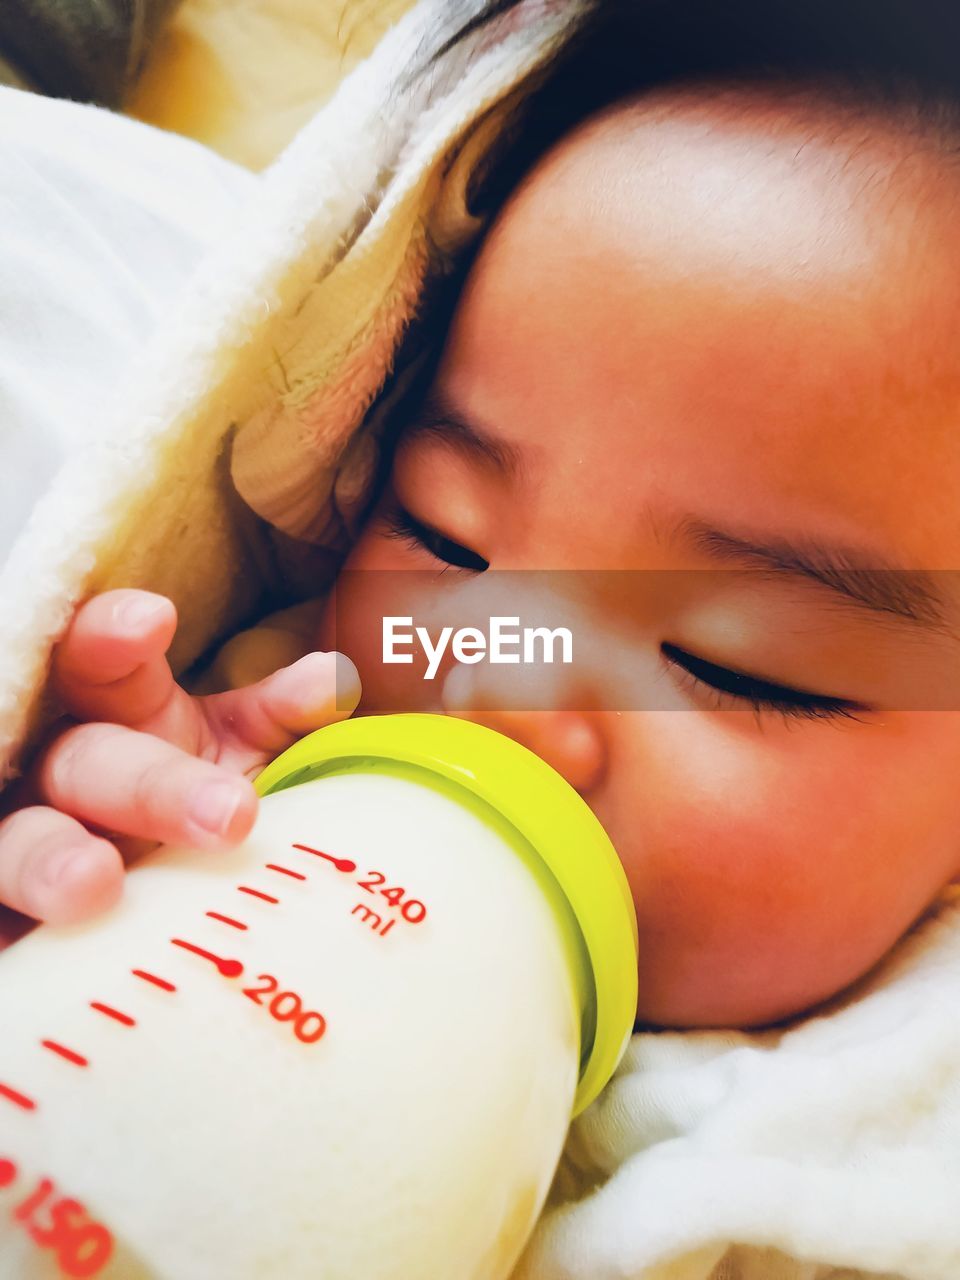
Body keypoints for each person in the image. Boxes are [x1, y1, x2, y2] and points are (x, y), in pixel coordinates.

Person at [3, 66, 960, 1035]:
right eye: (441, 532)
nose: (499, 677)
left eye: (737, 661)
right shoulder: (259, 747)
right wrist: (136, 889)